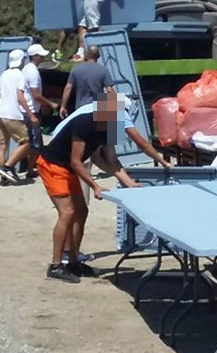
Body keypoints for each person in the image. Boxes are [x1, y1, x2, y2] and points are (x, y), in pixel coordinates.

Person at [38, 92, 140, 283]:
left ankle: (74, 261)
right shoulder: (84, 123)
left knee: (81, 211)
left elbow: (110, 160)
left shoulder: (109, 126)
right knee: (67, 213)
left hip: (67, 167)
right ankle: (56, 265)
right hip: (52, 165)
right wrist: (95, 186)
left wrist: (130, 183)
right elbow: (76, 161)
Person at [0, 48, 38, 184]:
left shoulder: (3, 74)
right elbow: (20, 97)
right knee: (26, 142)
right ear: (22, 60)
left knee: (2, 145)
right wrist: (31, 115)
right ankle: (7, 168)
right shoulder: (20, 75)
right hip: (12, 113)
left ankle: (4, 177)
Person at [22, 42, 59, 178]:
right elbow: (36, 94)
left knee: (30, 141)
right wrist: (50, 104)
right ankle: (30, 170)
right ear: (35, 56)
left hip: (26, 110)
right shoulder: (33, 72)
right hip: (32, 111)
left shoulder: (25, 69)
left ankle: (28, 166)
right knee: (35, 142)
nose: (43, 58)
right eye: (41, 55)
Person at [59, 45, 114, 118]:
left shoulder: (76, 69)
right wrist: (115, 109)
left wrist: (63, 106)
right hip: (98, 108)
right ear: (99, 55)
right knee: (100, 128)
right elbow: (110, 91)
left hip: (81, 109)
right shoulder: (103, 70)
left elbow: (68, 88)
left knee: (83, 129)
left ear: (85, 55)